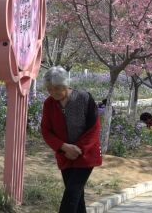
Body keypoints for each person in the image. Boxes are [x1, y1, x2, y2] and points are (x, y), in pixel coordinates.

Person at [41, 67, 102, 213]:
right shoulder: (49, 104)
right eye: (49, 89)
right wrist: (64, 147)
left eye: (56, 88)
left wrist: (78, 149)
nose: (52, 92)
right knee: (77, 198)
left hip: (86, 155)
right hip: (65, 156)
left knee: (71, 195)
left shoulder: (84, 98)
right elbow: (46, 131)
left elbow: (94, 128)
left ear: (66, 85)